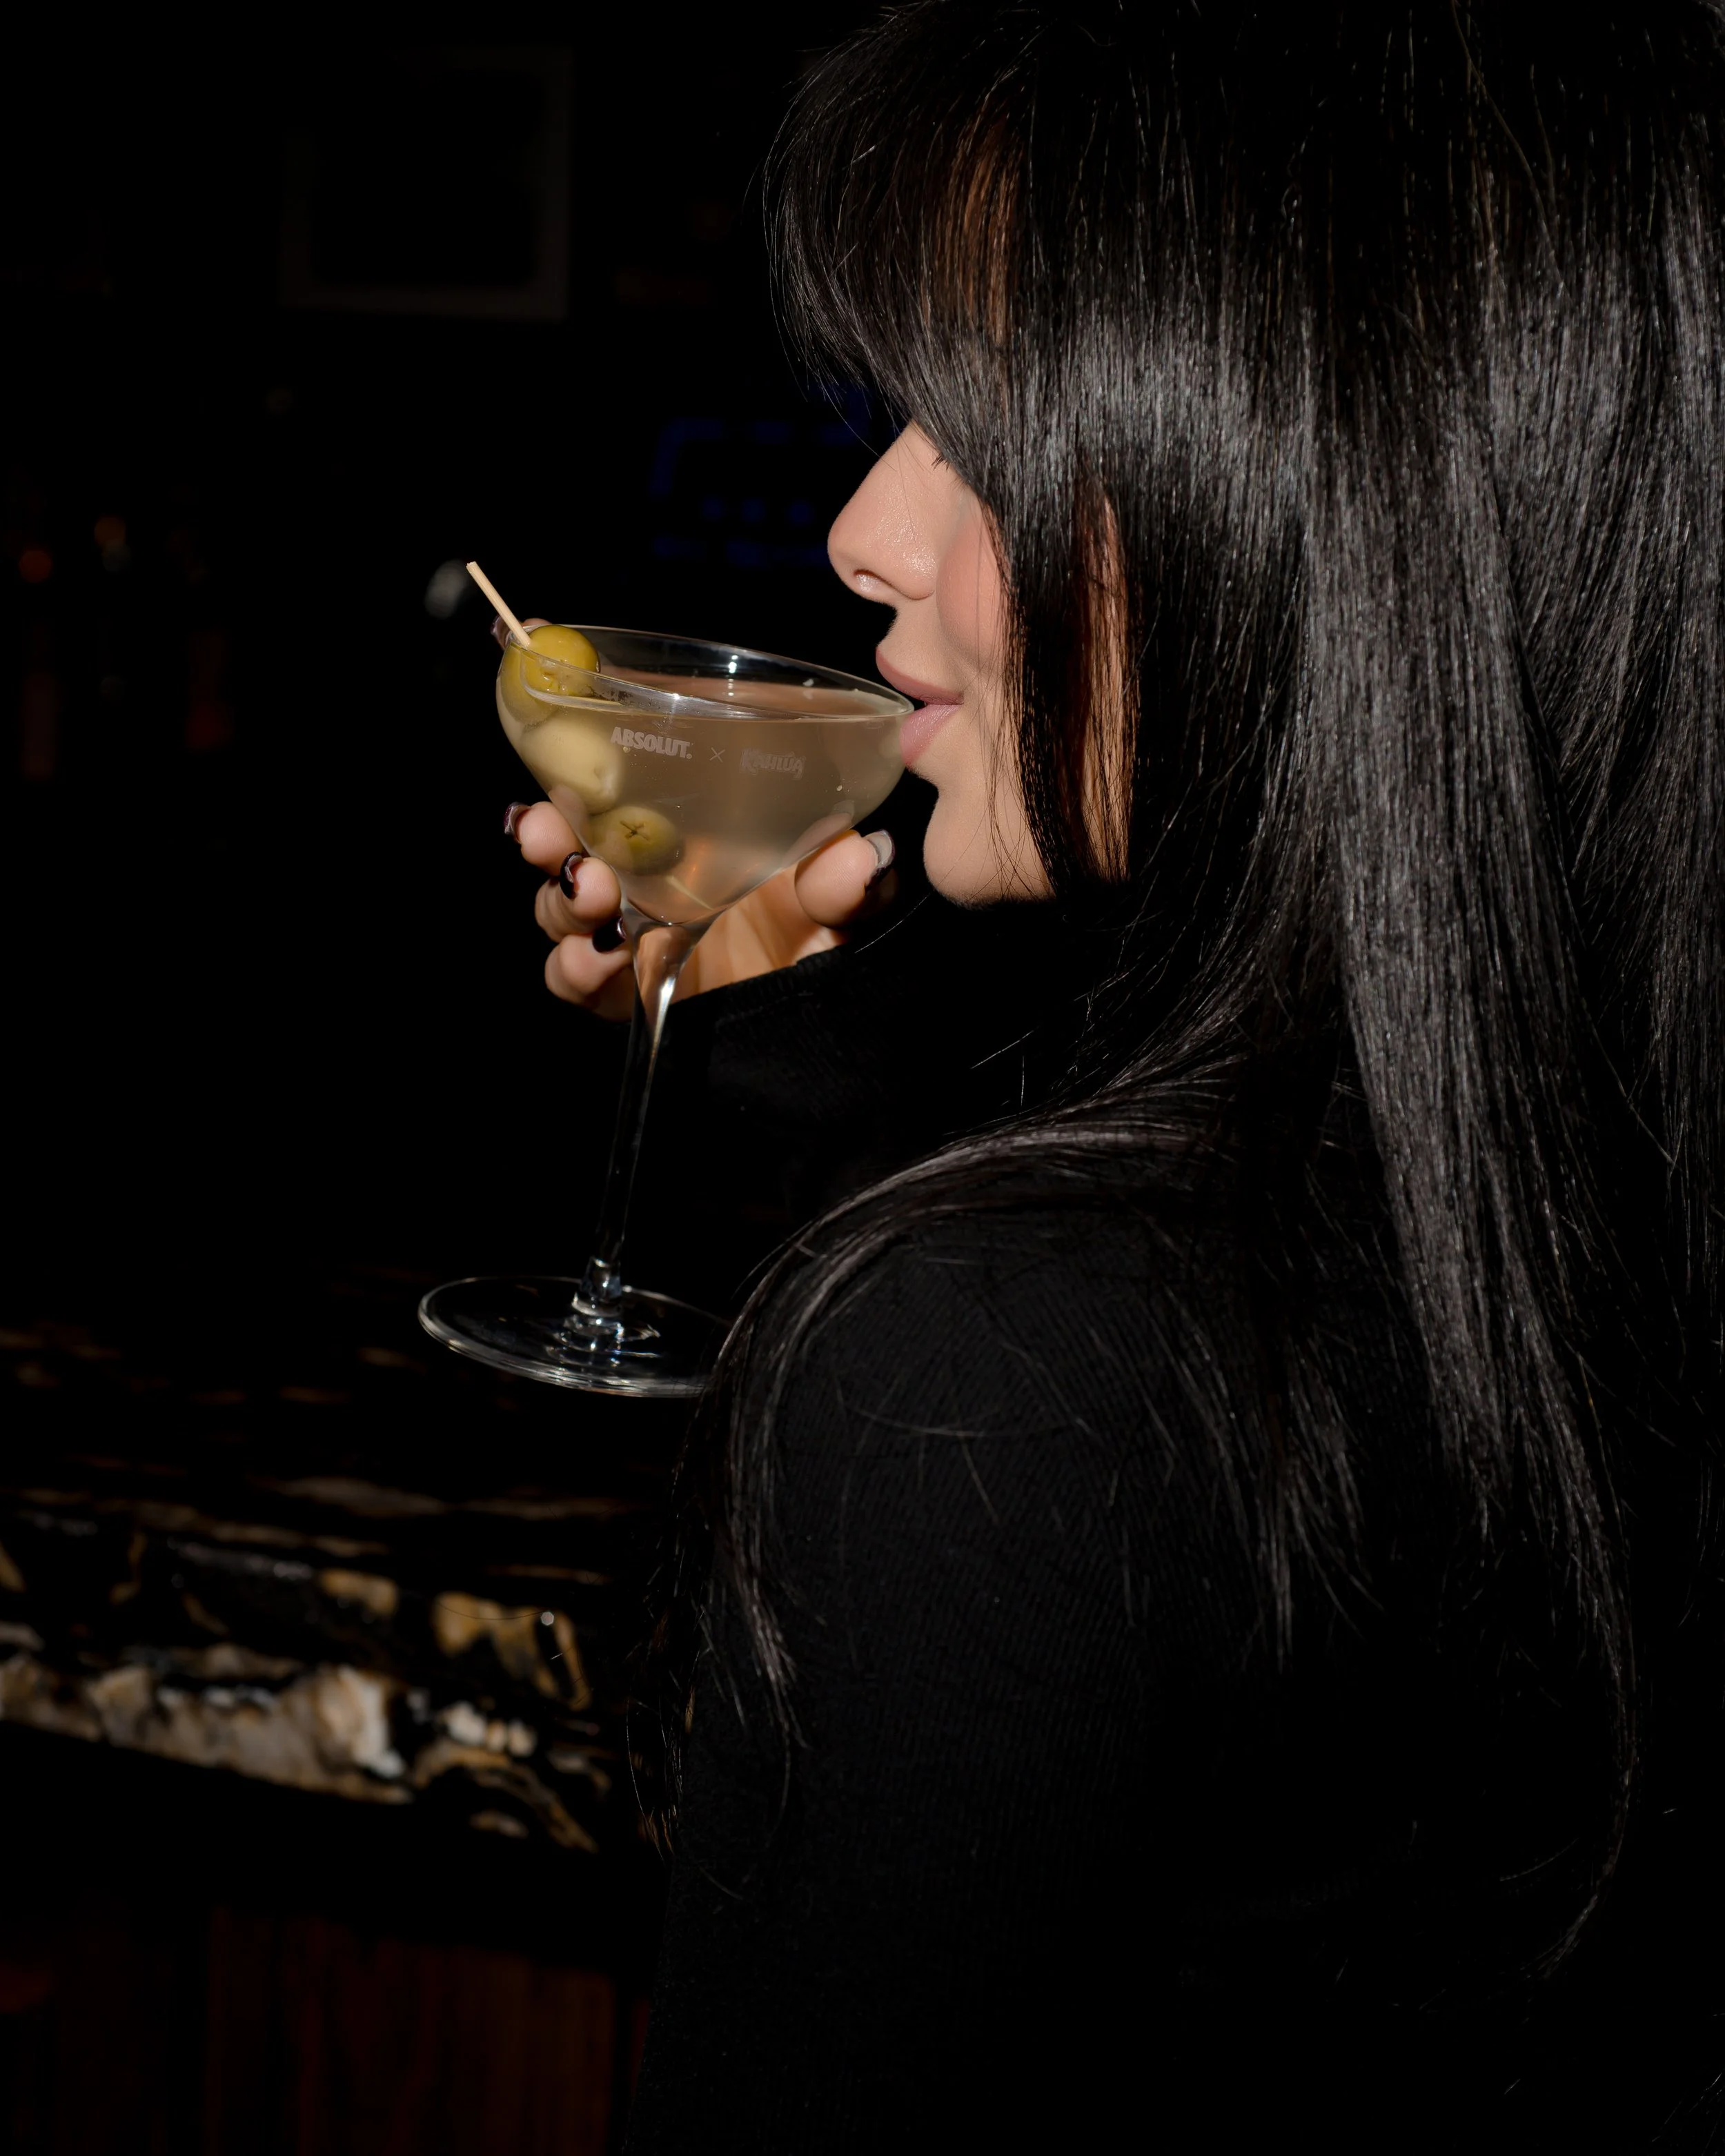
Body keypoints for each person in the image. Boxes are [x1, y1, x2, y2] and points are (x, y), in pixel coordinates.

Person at [506, 3, 1725, 2145]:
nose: (861, 530)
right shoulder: (1604, 1217)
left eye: (988, 425)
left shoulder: (1004, 1369)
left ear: (1339, 486)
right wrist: (789, 1054)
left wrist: (907, 1303)